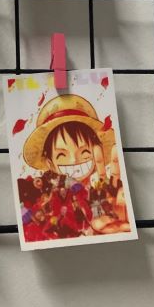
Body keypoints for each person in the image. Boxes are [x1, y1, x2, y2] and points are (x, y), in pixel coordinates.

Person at [21, 93, 131, 238]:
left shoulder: (108, 193)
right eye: (62, 155)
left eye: (84, 152)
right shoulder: (43, 201)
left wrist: (117, 225)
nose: (74, 160)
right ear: (49, 163)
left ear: (97, 153)